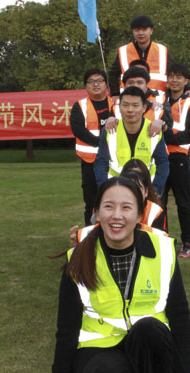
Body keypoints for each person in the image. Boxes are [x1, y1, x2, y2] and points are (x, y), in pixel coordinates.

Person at [49, 177, 190, 373]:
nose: (116, 215)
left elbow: (179, 313)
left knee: (149, 327)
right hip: (99, 348)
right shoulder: (78, 257)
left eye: (126, 207)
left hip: (150, 343)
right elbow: (66, 330)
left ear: (139, 215)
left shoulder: (163, 251)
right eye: (108, 207)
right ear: (96, 213)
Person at [94, 86, 169, 197]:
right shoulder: (110, 131)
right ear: (119, 107)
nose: (130, 110)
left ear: (144, 108)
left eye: (135, 105)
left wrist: (156, 190)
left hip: (146, 191)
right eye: (125, 105)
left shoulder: (154, 130)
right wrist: (104, 190)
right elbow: (101, 163)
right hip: (116, 189)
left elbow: (163, 163)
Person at [162, 63, 190, 258]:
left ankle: (188, 241)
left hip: (179, 158)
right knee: (158, 202)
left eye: (179, 77)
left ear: (186, 81)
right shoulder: (159, 100)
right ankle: (162, 238)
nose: (174, 80)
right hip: (159, 158)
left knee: (183, 202)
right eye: (171, 76)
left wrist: (169, 136)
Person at [71, 68, 114, 225]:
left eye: (99, 81)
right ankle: (91, 235)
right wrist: (101, 143)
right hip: (90, 162)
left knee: (115, 201)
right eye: (91, 81)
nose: (96, 84)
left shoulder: (116, 104)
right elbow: (78, 130)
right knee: (91, 203)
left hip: (115, 161)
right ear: (85, 86)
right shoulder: (80, 106)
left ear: (106, 84)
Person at [108, 15, 169, 97]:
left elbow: (173, 74)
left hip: (157, 98)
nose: (140, 33)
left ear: (151, 30)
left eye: (144, 30)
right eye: (137, 30)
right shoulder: (123, 51)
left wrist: (181, 91)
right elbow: (113, 75)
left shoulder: (162, 50)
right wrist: (115, 94)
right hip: (129, 98)